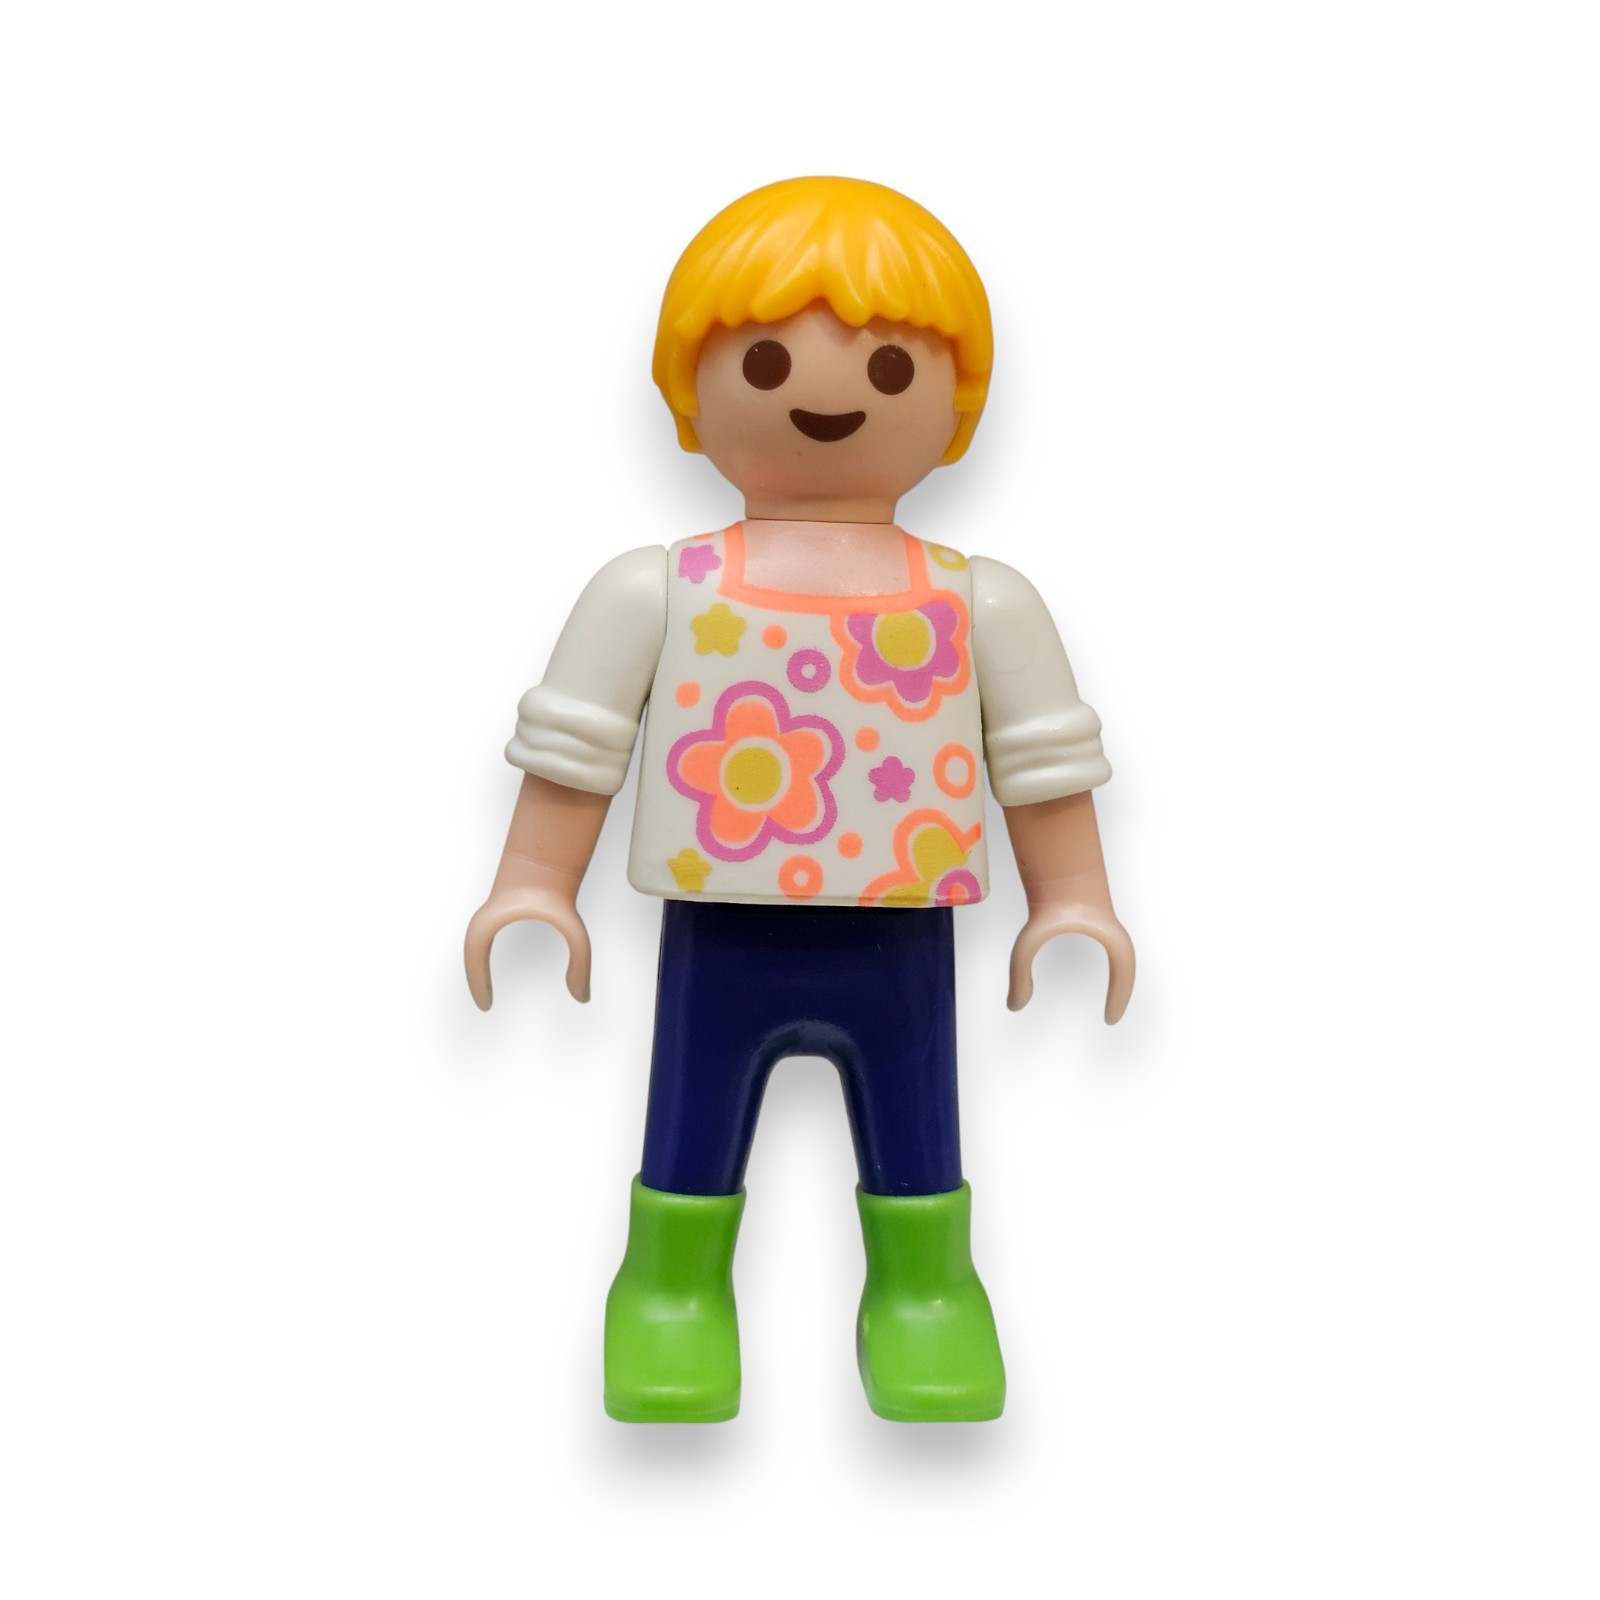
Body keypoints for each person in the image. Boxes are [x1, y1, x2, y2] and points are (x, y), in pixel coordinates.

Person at [466, 176, 1135, 1423]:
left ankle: (926, 1290)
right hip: (718, 926)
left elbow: (1040, 756)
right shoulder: (658, 588)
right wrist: (533, 881)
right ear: (689, 389)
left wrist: (1073, 899)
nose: (829, 397)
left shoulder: (978, 600)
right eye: (764, 360)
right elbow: (578, 745)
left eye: (891, 370)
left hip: (902, 932)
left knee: (917, 1123)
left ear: (955, 406)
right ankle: (671, 1288)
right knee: (690, 1117)